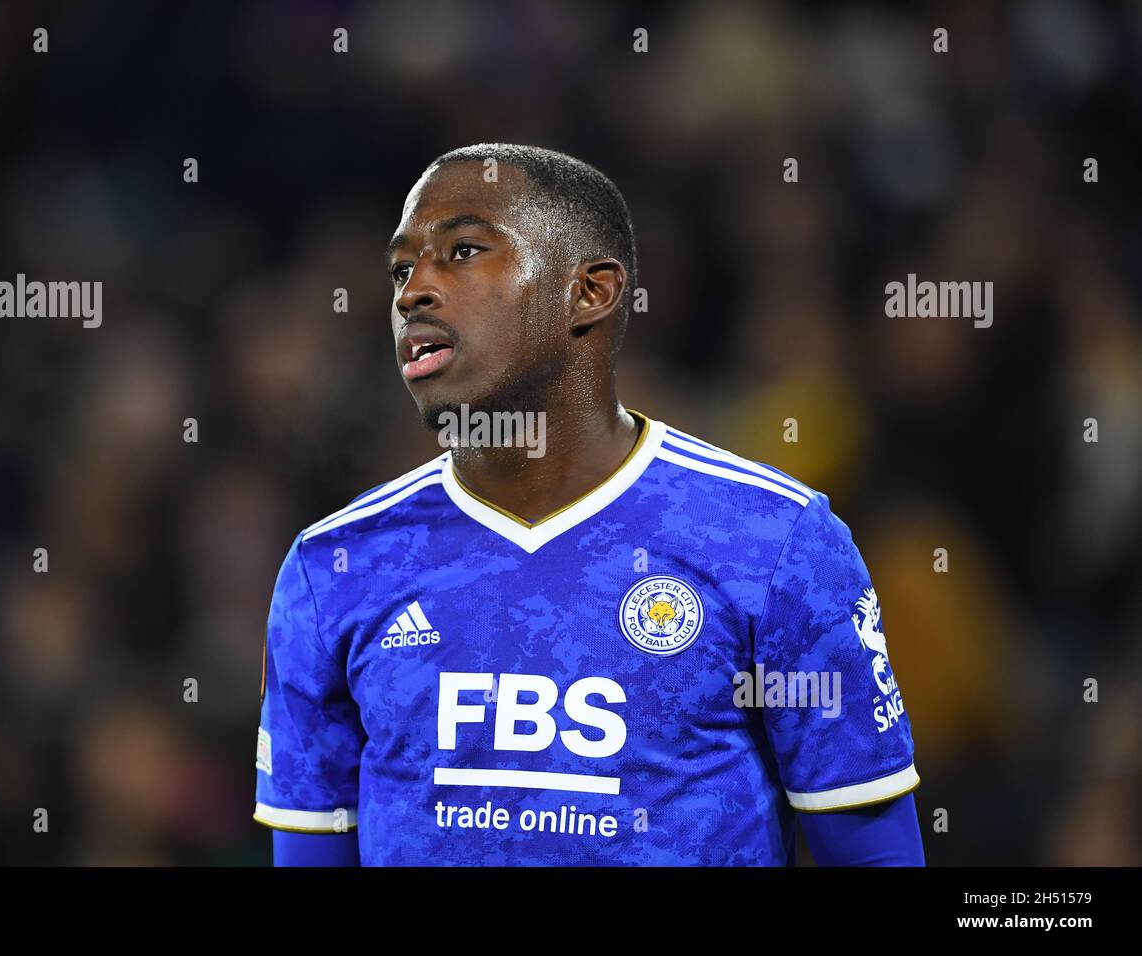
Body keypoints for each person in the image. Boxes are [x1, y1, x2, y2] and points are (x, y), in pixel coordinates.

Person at [253, 144, 924, 866]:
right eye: (401, 268)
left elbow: (875, 856)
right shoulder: (334, 567)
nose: (413, 290)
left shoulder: (775, 541)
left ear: (591, 292)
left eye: (464, 251)